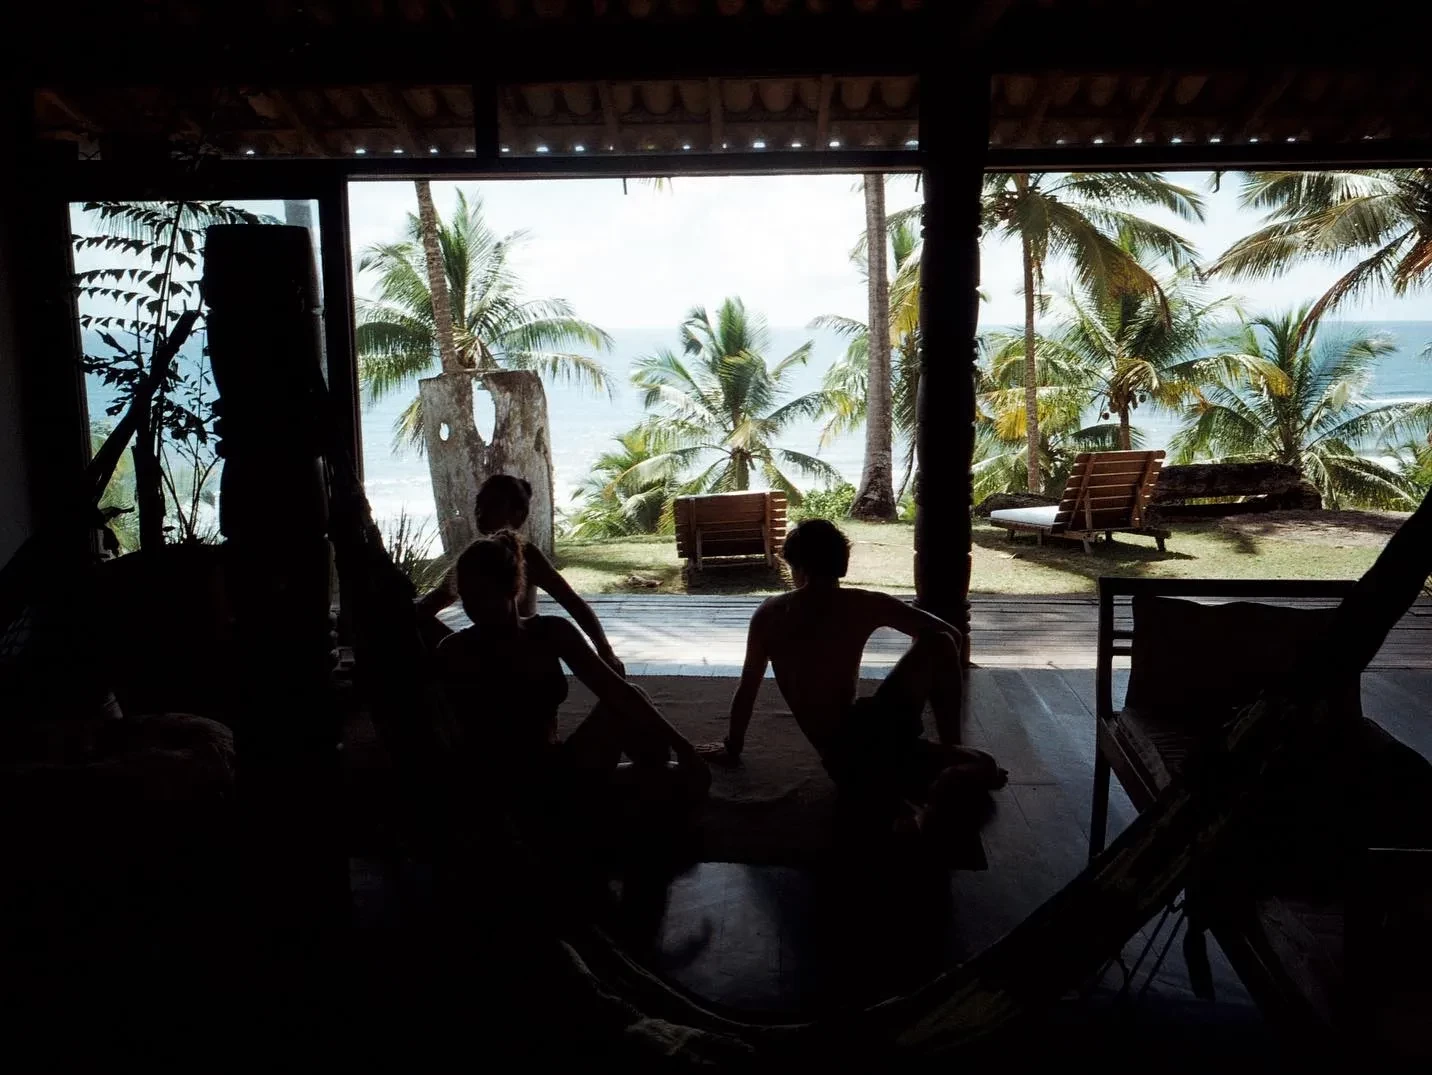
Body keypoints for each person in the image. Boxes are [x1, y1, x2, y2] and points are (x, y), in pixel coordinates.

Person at [699, 518, 1005, 840]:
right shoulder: (864, 602)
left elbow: (748, 687)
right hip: (873, 736)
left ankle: (911, 793)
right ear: (841, 566)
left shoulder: (769, 613)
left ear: (797, 567)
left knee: (954, 765)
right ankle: (941, 767)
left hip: (841, 757)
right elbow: (950, 635)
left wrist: (732, 746)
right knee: (980, 759)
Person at [436, 532, 709, 832]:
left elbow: (616, 690)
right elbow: (448, 737)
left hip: (557, 766)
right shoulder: (454, 651)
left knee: (638, 712)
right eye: (468, 598)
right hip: (513, 788)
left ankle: (636, 792)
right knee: (665, 775)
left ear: (511, 588)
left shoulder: (551, 631)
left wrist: (685, 749)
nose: (474, 608)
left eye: (483, 596)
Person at [418, 474, 624, 673]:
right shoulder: (479, 556)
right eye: (479, 504)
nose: (480, 511)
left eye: (492, 504)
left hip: (518, 655)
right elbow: (432, 604)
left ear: (519, 513)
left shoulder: (522, 556)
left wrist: (606, 652)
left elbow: (572, 602)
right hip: (500, 654)